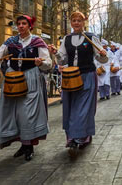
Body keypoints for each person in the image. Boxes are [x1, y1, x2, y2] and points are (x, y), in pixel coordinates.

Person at [0, 15, 52, 161]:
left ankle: (29, 146)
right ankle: (23, 145)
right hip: (13, 79)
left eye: (24, 23)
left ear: (30, 26)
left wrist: (40, 62)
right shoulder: (11, 41)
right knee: (14, 113)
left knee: (28, 114)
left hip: (31, 79)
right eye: (19, 24)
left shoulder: (37, 41)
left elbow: (47, 62)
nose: (21, 26)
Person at [48, 11, 107, 156]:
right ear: (71, 23)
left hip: (87, 76)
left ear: (83, 22)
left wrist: (103, 54)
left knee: (83, 108)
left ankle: (78, 137)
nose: (76, 23)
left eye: (79, 20)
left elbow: (101, 59)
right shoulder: (66, 39)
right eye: (73, 20)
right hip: (70, 78)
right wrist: (56, 53)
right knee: (70, 106)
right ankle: (75, 136)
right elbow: (62, 60)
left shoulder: (91, 37)